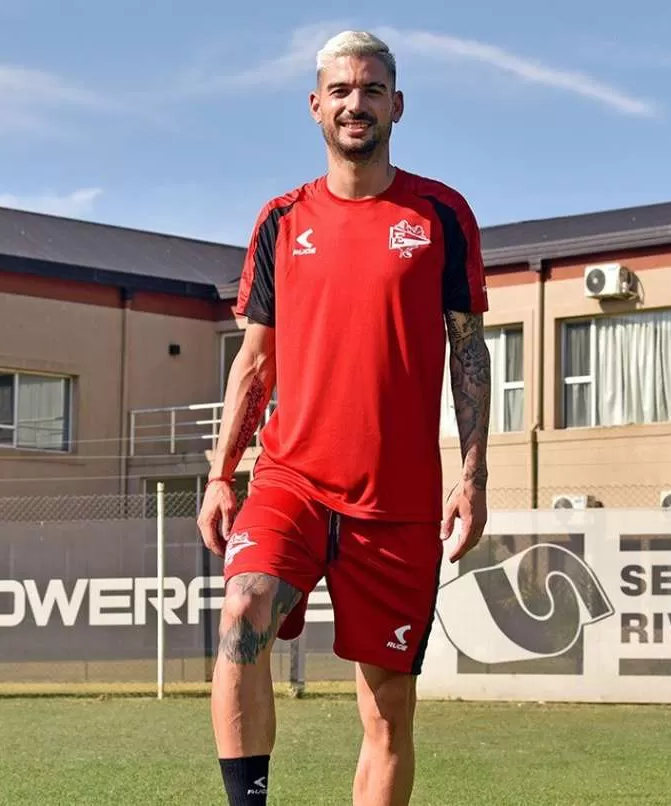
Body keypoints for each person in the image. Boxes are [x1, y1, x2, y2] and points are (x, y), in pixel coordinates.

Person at [196, 29, 492, 806]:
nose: (354, 104)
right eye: (340, 91)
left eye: (370, 90)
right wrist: (221, 475)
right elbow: (255, 361)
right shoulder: (281, 221)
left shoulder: (441, 216)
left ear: (397, 104)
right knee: (243, 610)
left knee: (387, 712)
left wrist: (473, 474)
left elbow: (469, 352)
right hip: (292, 476)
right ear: (315, 106)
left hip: (397, 504)